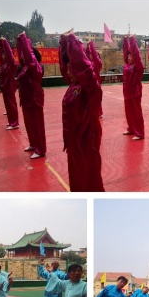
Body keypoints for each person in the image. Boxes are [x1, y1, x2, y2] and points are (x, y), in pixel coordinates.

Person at [59, 31, 104, 191]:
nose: (68, 71)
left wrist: (72, 40)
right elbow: (64, 68)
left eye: (71, 67)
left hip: (87, 142)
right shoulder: (72, 88)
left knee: (89, 179)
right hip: (73, 143)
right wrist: (64, 45)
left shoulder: (90, 88)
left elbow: (84, 69)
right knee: (76, 178)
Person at [16, 32, 46, 159]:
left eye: (26, 53)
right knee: (29, 123)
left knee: (37, 124)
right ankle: (33, 144)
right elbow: (21, 55)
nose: (23, 56)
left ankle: (40, 149)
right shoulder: (24, 67)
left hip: (35, 97)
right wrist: (20, 43)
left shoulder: (36, 67)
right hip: (26, 97)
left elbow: (30, 57)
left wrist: (25, 39)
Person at [122, 35, 144, 140]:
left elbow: (137, 56)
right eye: (128, 56)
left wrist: (132, 41)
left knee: (136, 112)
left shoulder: (137, 66)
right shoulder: (126, 65)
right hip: (127, 92)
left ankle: (139, 133)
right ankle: (131, 128)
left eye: (131, 56)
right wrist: (125, 41)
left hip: (135, 92)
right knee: (129, 112)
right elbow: (125, 52)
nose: (129, 58)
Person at [0, 37, 19, 130]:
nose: (3, 56)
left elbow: (9, 55)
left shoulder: (12, 64)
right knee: (8, 106)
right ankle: (11, 122)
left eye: (4, 54)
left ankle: (15, 123)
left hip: (9, 86)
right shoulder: (4, 65)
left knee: (11, 105)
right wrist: (0, 45)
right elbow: (0, 56)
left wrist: (5, 42)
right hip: (4, 87)